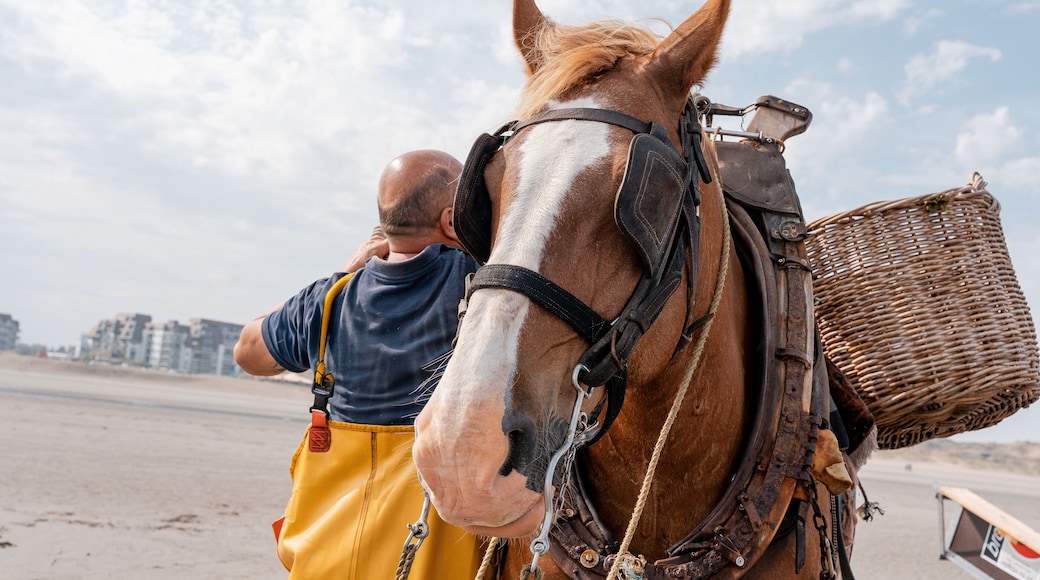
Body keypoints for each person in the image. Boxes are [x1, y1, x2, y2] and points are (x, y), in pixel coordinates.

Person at [234, 149, 482, 579]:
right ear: (450, 220)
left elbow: (248, 350)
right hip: (430, 547)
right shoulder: (477, 280)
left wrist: (342, 273)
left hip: (326, 556)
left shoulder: (333, 297)